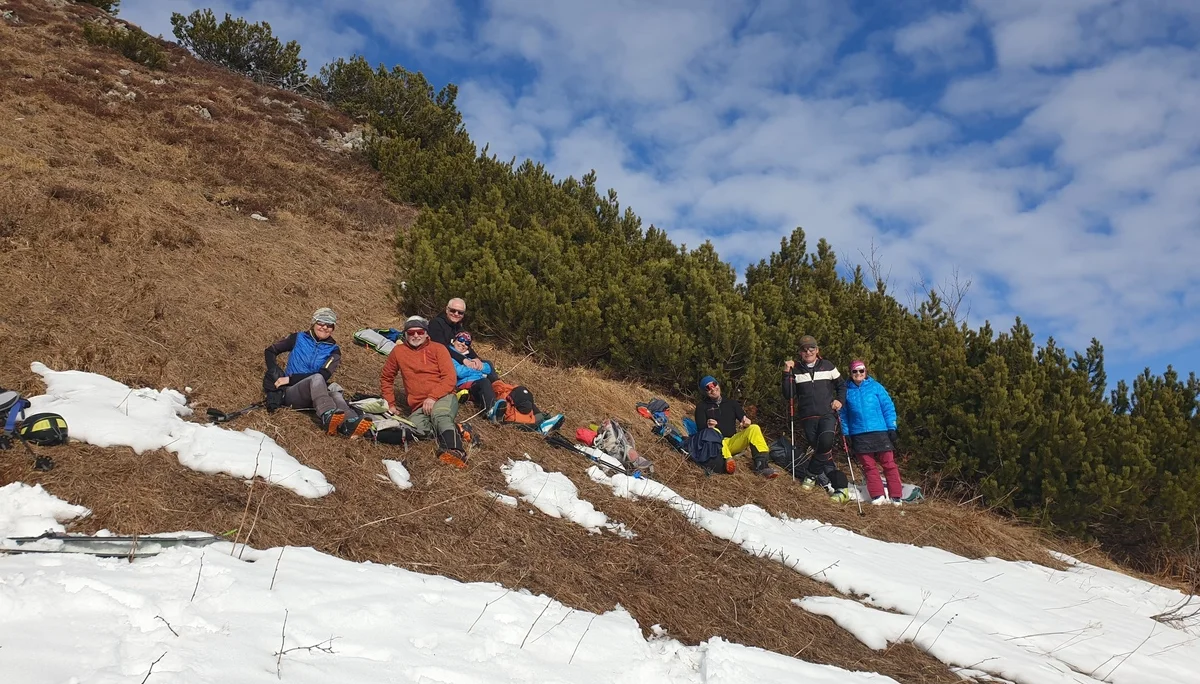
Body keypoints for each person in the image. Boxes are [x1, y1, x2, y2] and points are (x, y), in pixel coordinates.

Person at [264, 307, 370, 438]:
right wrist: (274, 372)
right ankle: (327, 415)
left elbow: (325, 374)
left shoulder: (334, 350)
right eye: (321, 322)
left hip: (316, 394)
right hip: (292, 392)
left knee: (336, 394)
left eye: (329, 325)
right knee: (317, 378)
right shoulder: (298, 338)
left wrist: (290, 378)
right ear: (314, 322)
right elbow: (270, 351)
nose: (325, 327)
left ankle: (350, 423)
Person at [379, 316, 468, 468]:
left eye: (419, 332)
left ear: (426, 333)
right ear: (405, 334)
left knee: (440, 414)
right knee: (414, 429)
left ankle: (455, 450)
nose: (415, 336)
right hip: (418, 406)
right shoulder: (398, 352)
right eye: (411, 332)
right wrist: (390, 404)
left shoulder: (439, 349)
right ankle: (458, 430)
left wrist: (433, 397)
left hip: (443, 396)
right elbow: (386, 377)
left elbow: (450, 378)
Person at [781, 335, 851, 501]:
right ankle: (842, 489)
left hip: (827, 414)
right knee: (824, 454)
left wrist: (839, 401)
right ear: (800, 352)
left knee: (826, 442)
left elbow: (841, 385)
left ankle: (811, 476)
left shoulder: (828, 366)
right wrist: (786, 373)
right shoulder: (795, 369)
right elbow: (788, 394)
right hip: (807, 417)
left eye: (811, 348)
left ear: (817, 350)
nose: (808, 352)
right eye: (804, 349)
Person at [840, 359, 904, 506]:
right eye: (854, 371)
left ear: (866, 371)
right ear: (850, 373)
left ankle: (896, 496)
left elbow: (888, 407)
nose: (858, 374)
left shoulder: (876, 387)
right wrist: (846, 433)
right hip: (859, 433)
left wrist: (891, 427)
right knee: (869, 466)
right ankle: (877, 495)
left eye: (861, 370)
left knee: (889, 463)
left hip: (880, 431)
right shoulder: (846, 390)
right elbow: (843, 414)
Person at [693, 375, 778, 477]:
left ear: (718, 384)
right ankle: (729, 461)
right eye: (708, 388)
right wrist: (708, 426)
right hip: (715, 444)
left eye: (714, 384)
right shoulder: (702, 407)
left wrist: (747, 422)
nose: (713, 389)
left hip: (732, 441)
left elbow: (744, 419)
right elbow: (701, 431)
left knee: (754, 428)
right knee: (714, 432)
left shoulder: (731, 403)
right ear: (705, 392)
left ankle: (762, 466)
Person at [428, 297, 498, 382]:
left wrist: (475, 358)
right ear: (447, 310)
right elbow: (441, 347)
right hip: (443, 360)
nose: (456, 314)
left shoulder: (457, 326)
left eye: (460, 312)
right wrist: (463, 360)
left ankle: (498, 387)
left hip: (457, 357)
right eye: (453, 310)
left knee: (487, 364)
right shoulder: (436, 324)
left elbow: (466, 345)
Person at [449, 331, 497, 412]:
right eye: (460, 340)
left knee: (512, 389)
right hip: (466, 385)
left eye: (467, 343)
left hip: (480, 382)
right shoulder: (450, 356)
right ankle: (490, 410)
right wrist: (476, 368)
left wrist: (473, 365)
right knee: (484, 382)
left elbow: (488, 368)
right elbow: (460, 373)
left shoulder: (470, 357)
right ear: (454, 341)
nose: (463, 344)